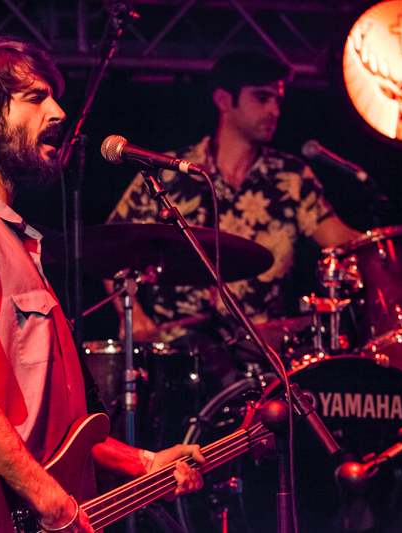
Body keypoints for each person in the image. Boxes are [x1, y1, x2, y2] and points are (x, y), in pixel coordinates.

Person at [0, 36, 204, 533]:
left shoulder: (13, 240)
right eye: (36, 97)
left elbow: (55, 434)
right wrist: (52, 501)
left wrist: (143, 462)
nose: (59, 112)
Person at [106, 51, 361, 360]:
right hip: (177, 356)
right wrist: (133, 316)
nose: (275, 110)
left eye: (278, 100)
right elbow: (108, 248)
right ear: (225, 101)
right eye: (262, 98)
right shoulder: (167, 173)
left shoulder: (291, 177)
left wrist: (400, 246)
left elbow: (345, 243)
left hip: (263, 354)